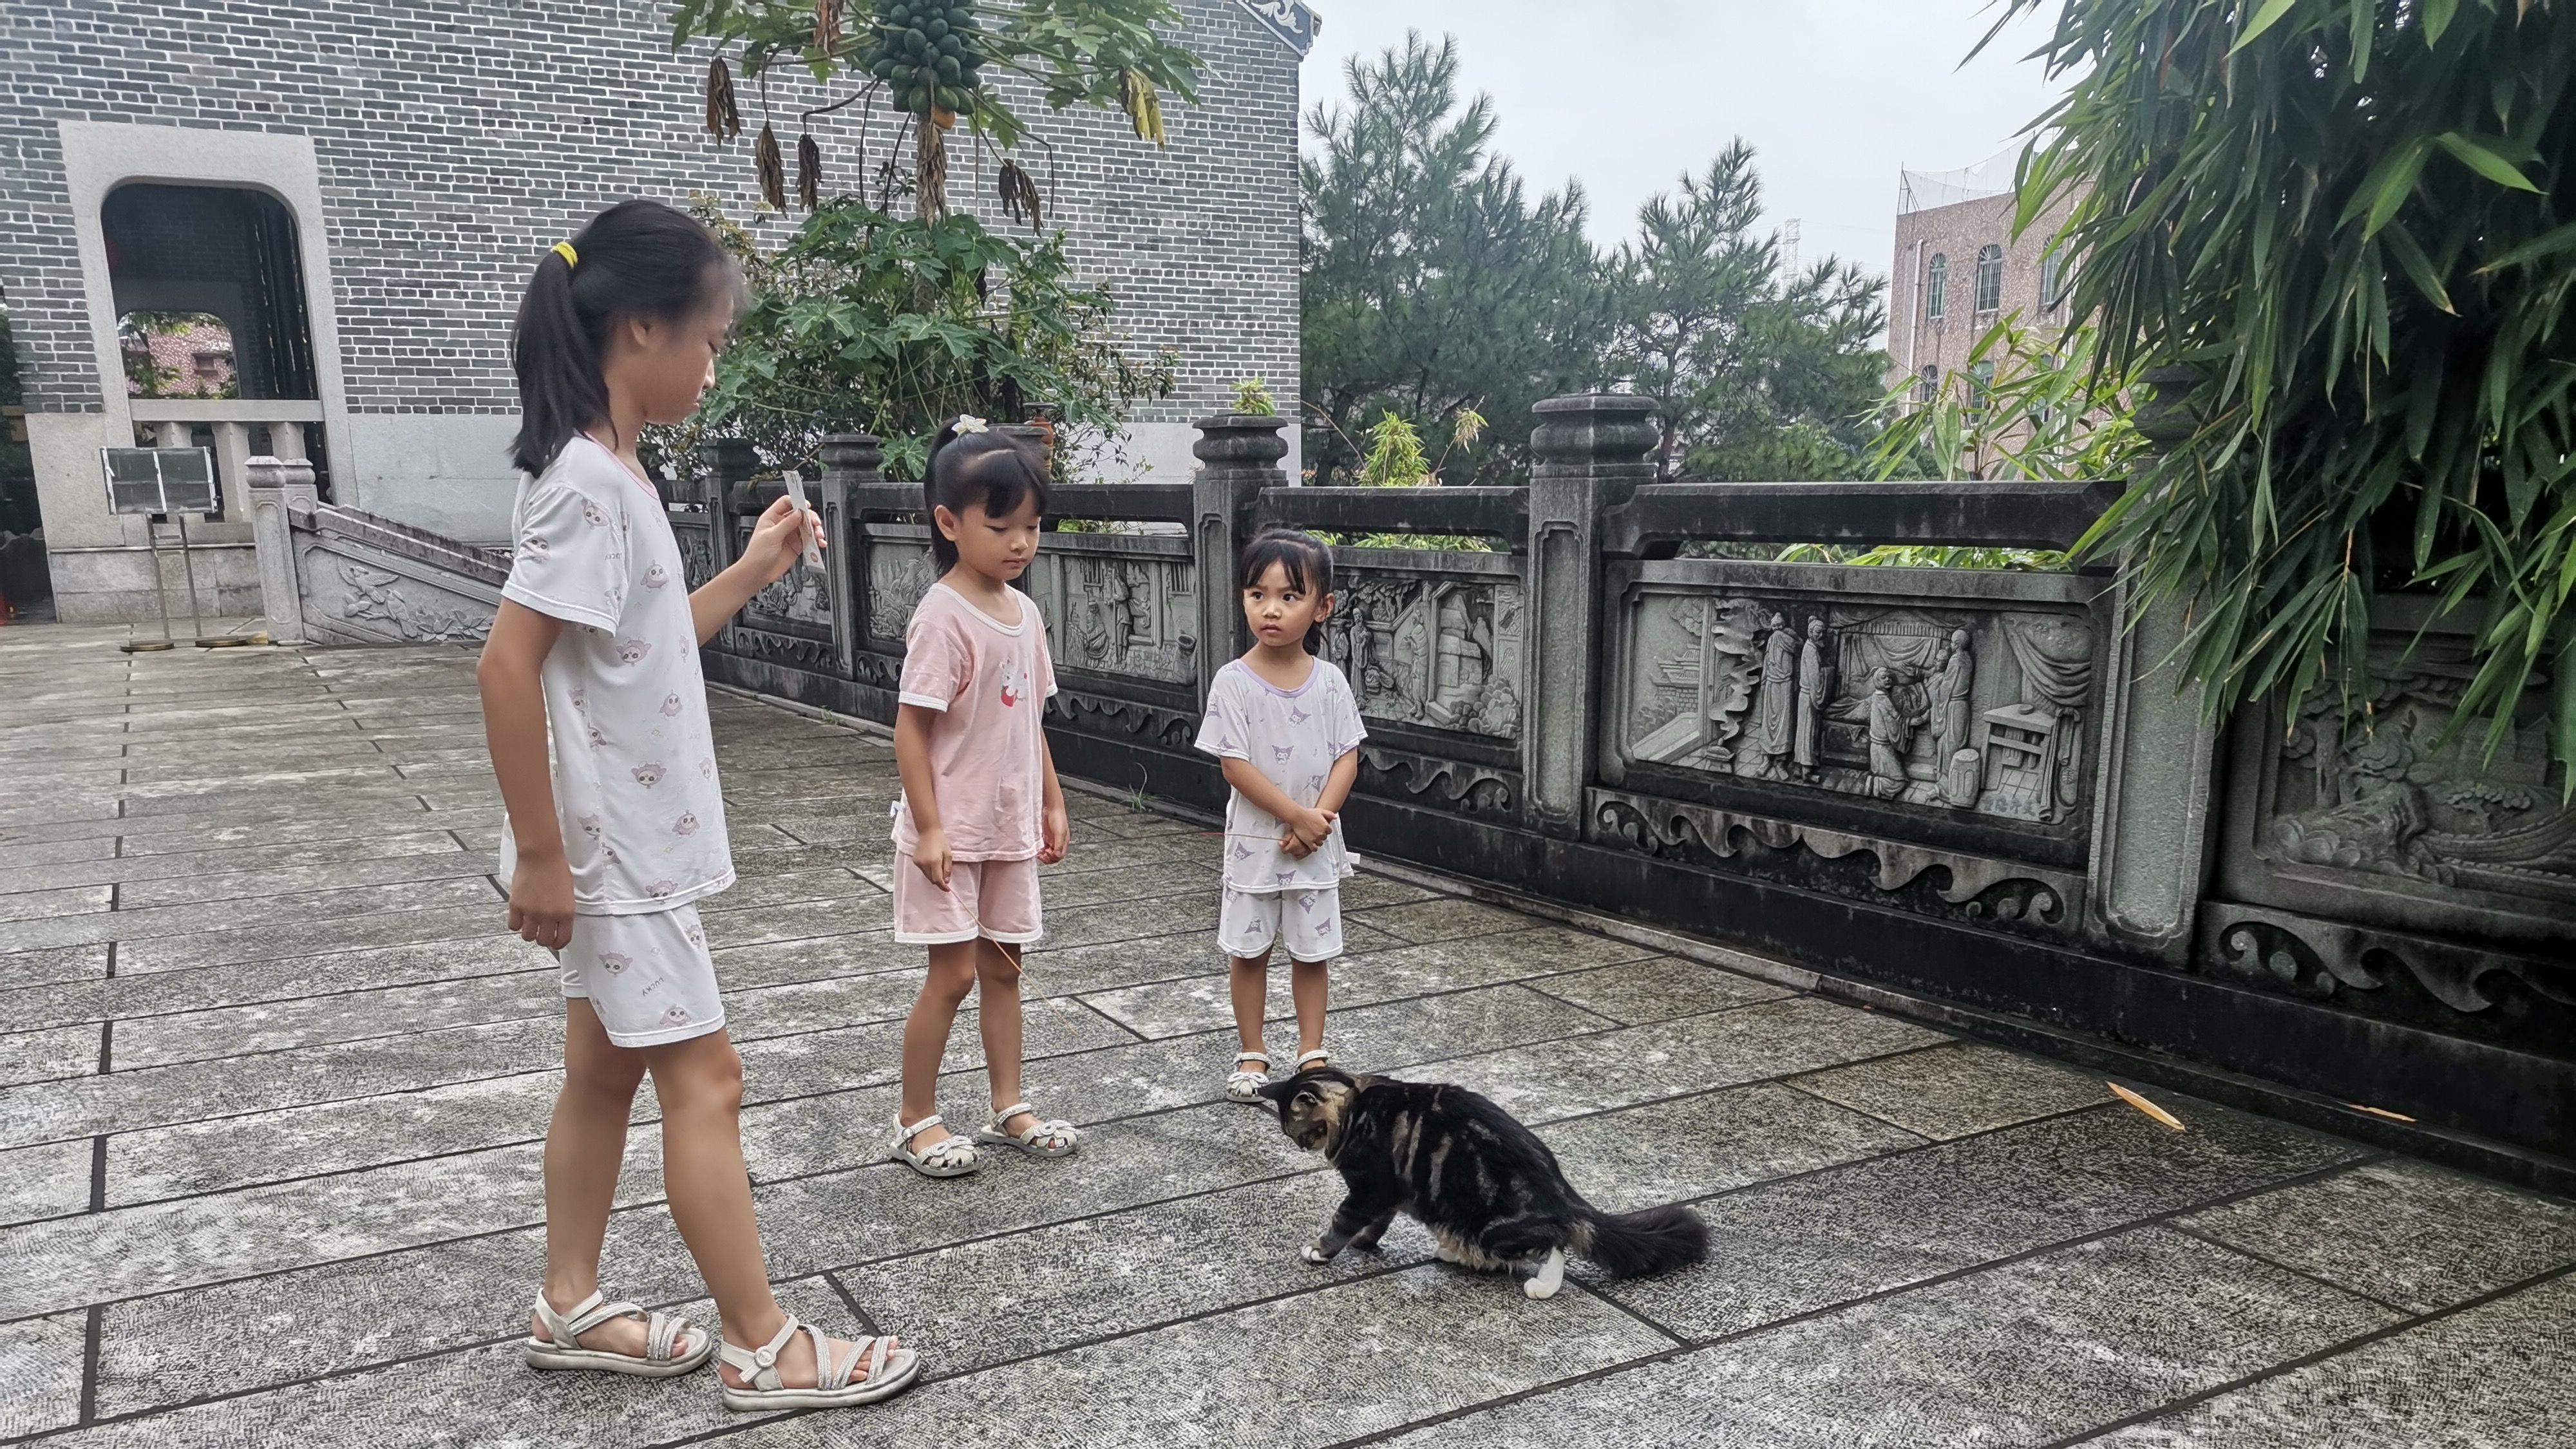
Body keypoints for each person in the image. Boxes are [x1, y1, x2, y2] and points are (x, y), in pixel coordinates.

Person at [478, 200, 918, 1411]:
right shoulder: (586, 485)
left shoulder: (608, 474)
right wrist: (542, 855)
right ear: (638, 328)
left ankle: (570, 1302)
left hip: (622, 843)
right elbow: (505, 666)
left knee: (603, 1075)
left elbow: (643, 643)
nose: (714, 364)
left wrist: (758, 566)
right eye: (710, 339)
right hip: (615, 852)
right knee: (707, 1082)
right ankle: (764, 1344)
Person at [886, 418, 1078, 1178]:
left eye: (1031, 526)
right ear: (948, 522)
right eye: (1000, 526)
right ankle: (914, 1119)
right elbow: (909, 730)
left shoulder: (1024, 614)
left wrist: (1052, 802)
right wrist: (929, 828)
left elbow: (1027, 717)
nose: (1019, 543)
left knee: (1005, 967)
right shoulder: (942, 616)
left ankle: (1008, 1104)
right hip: (951, 833)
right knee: (954, 974)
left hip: (1007, 828)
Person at [1195, 528, 1367, 1103]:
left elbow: (1348, 755)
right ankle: (1252, 1051)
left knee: (1311, 950)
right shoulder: (1233, 682)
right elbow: (1234, 766)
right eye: (1257, 593)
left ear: (1323, 607)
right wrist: (1297, 816)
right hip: (1255, 842)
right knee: (1249, 949)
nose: (1271, 609)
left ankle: (1312, 1051)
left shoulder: (1331, 682)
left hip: (1314, 840)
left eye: (1290, 596)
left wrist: (1318, 819)